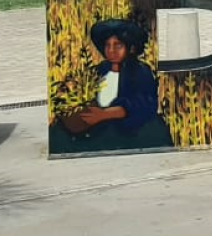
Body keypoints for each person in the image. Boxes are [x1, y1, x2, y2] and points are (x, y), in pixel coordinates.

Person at [53, 19, 172, 152]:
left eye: (118, 45)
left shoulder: (140, 71)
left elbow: (143, 104)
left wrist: (104, 114)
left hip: (128, 130)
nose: (111, 50)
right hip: (95, 127)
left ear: (130, 47)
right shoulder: (96, 72)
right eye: (108, 45)